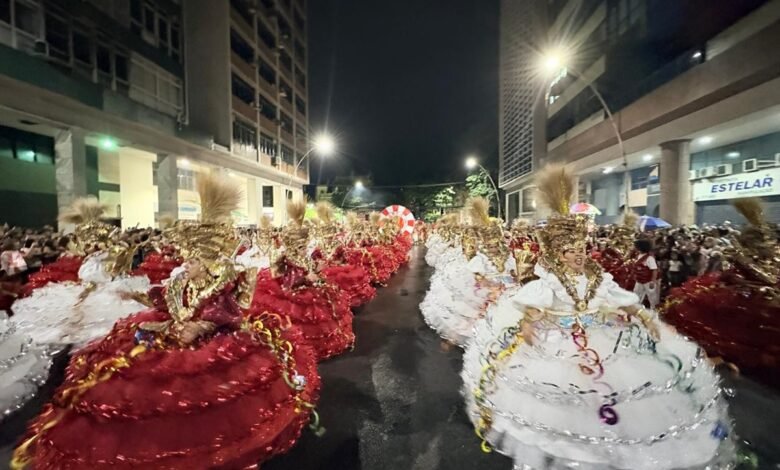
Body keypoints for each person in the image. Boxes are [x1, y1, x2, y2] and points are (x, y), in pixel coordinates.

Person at [11, 174, 321, 469]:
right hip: (178, 330)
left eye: (196, 258)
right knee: (127, 372)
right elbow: (169, 301)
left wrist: (202, 323)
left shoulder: (228, 277)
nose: (189, 261)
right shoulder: (182, 279)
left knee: (201, 392)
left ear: (210, 256)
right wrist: (142, 300)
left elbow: (234, 309)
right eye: (190, 256)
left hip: (216, 335)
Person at [462, 165, 734, 470]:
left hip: (604, 339)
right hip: (558, 344)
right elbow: (533, 306)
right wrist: (528, 323)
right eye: (570, 251)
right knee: (570, 402)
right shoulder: (548, 282)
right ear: (557, 255)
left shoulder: (598, 278)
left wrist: (642, 317)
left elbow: (621, 300)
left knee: (625, 397)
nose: (579, 255)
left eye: (580, 249)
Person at [632, 238, 659, 308]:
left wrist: (653, 281)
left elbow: (654, 270)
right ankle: (637, 310)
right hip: (639, 280)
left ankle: (654, 311)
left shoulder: (650, 258)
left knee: (652, 297)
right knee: (636, 295)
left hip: (648, 281)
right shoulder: (638, 256)